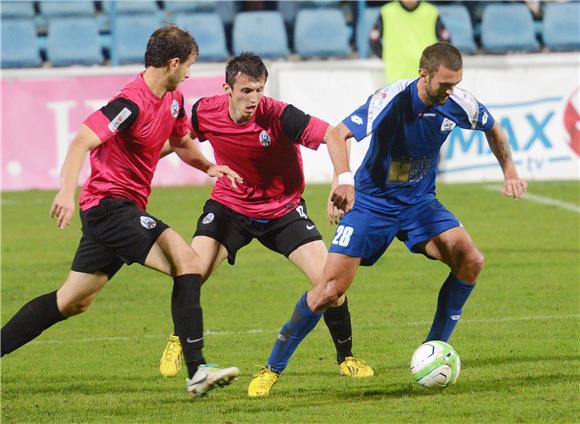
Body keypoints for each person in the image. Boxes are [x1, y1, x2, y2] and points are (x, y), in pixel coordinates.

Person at [250, 42, 528, 394]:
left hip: (420, 204)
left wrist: (510, 171)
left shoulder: (458, 102)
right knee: (329, 290)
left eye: (455, 84)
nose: (450, 91)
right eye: (444, 84)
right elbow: (337, 134)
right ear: (423, 75)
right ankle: (272, 368)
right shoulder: (391, 98)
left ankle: (433, 351)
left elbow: (494, 129)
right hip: (372, 204)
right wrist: (344, 179)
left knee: (471, 260)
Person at [0, 26, 243, 399]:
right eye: (189, 65)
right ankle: (197, 369)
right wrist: (66, 190)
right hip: (109, 207)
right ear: (174, 62)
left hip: (120, 212)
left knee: (73, 301)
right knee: (188, 262)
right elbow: (82, 140)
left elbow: (180, 143)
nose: (191, 74)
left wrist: (209, 167)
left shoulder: (173, 100)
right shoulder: (130, 103)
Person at [158, 52, 374, 397]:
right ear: (227, 88)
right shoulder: (205, 111)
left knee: (330, 285)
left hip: (282, 211)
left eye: (259, 90)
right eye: (245, 90)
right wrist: (141, 160)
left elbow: (335, 135)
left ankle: (345, 356)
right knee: (192, 270)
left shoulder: (281, 116)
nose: (253, 99)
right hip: (229, 205)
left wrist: (340, 178)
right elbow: (180, 141)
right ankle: (179, 337)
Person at [370, 0, 450, 83]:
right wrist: (388, 57)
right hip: (396, 77)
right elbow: (373, 40)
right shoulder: (386, 12)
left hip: (426, 77)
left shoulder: (431, 11)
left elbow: (446, 42)